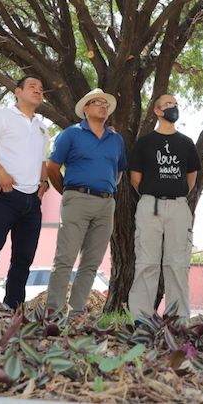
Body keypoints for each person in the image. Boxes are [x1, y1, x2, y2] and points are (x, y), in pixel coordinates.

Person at [0, 76, 49, 310]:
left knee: (23, 259)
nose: (38, 90)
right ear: (18, 91)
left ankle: (13, 307)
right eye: (33, 86)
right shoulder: (2, 116)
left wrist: (43, 182)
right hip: (5, 196)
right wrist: (1, 172)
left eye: (41, 88)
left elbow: (42, 160)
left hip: (32, 201)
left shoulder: (42, 127)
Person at [46, 88, 126, 314]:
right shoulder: (71, 134)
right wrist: (69, 193)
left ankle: (76, 312)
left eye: (106, 103)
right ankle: (53, 311)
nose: (103, 106)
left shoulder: (116, 139)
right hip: (77, 200)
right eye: (97, 102)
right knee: (65, 258)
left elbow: (119, 172)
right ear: (85, 109)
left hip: (106, 204)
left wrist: (107, 187)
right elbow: (52, 167)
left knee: (91, 262)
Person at [128, 94, 200, 321]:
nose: (173, 107)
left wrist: (173, 197)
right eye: (168, 104)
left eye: (176, 104)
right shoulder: (144, 143)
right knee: (146, 263)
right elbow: (135, 179)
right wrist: (154, 195)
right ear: (157, 111)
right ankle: (141, 319)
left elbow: (191, 179)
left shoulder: (187, 143)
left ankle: (178, 320)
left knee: (177, 265)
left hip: (178, 207)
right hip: (150, 205)